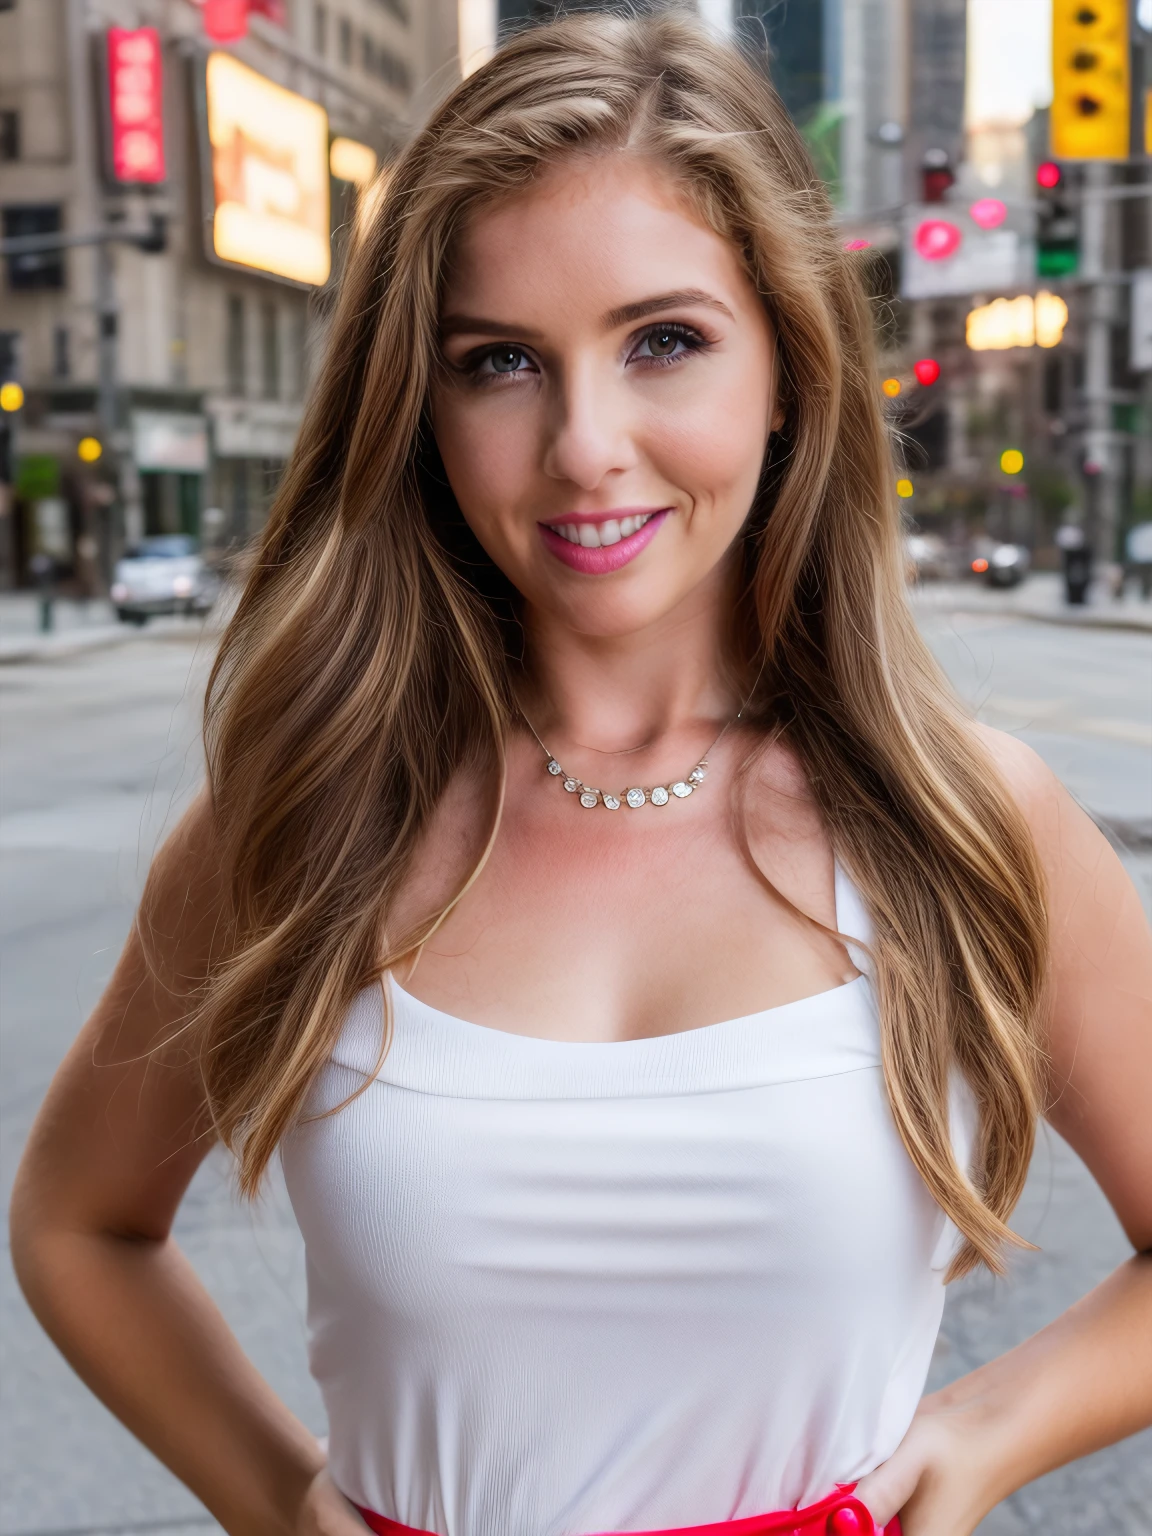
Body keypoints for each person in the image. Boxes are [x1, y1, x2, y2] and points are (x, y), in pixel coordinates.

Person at [10, 13, 1151, 1536]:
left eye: (663, 341)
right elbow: (79, 1223)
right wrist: (279, 1502)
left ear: (789, 370)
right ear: (424, 411)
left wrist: (985, 1437)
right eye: (500, 364)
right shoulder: (309, 816)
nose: (583, 445)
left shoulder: (964, 819)